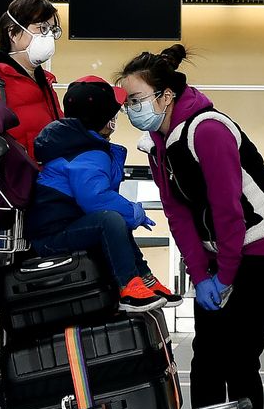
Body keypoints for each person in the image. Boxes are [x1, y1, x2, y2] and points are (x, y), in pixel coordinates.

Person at [120, 45, 264, 409]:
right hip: (219, 250)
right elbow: (177, 213)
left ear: (165, 96)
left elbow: (227, 208)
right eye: (126, 102)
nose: (130, 108)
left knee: (240, 355)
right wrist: (201, 276)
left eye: (136, 99)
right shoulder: (158, 142)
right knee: (207, 353)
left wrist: (227, 275)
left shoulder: (208, 129)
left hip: (261, 245)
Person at [29, 77, 179, 312]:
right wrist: (134, 212)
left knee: (114, 220)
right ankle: (129, 286)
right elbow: (95, 199)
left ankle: (144, 278)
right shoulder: (87, 153)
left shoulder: (73, 144)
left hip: (59, 228)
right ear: (107, 121)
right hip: (51, 238)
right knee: (110, 219)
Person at [0, 0, 63, 158]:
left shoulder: (46, 84)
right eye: (42, 28)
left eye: (52, 30)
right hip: (9, 182)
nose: (49, 36)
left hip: (45, 180)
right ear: (13, 33)